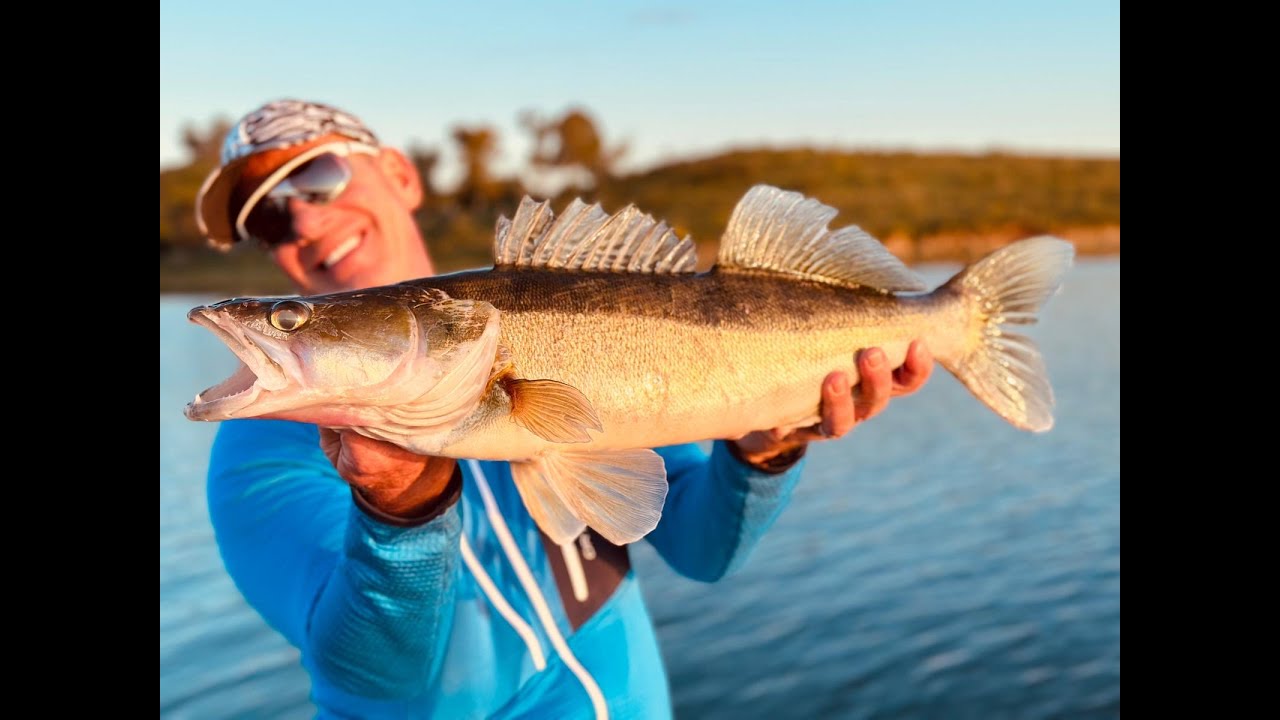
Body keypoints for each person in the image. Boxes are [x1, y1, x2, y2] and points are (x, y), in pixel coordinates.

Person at [194, 99, 934, 719]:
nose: (304, 223)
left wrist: (764, 450)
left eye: (314, 178)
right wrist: (400, 508)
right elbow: (377, 676)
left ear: (398, 173)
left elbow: (702, 550)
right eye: (268, 223)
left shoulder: (546, 313)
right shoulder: (263, 447)